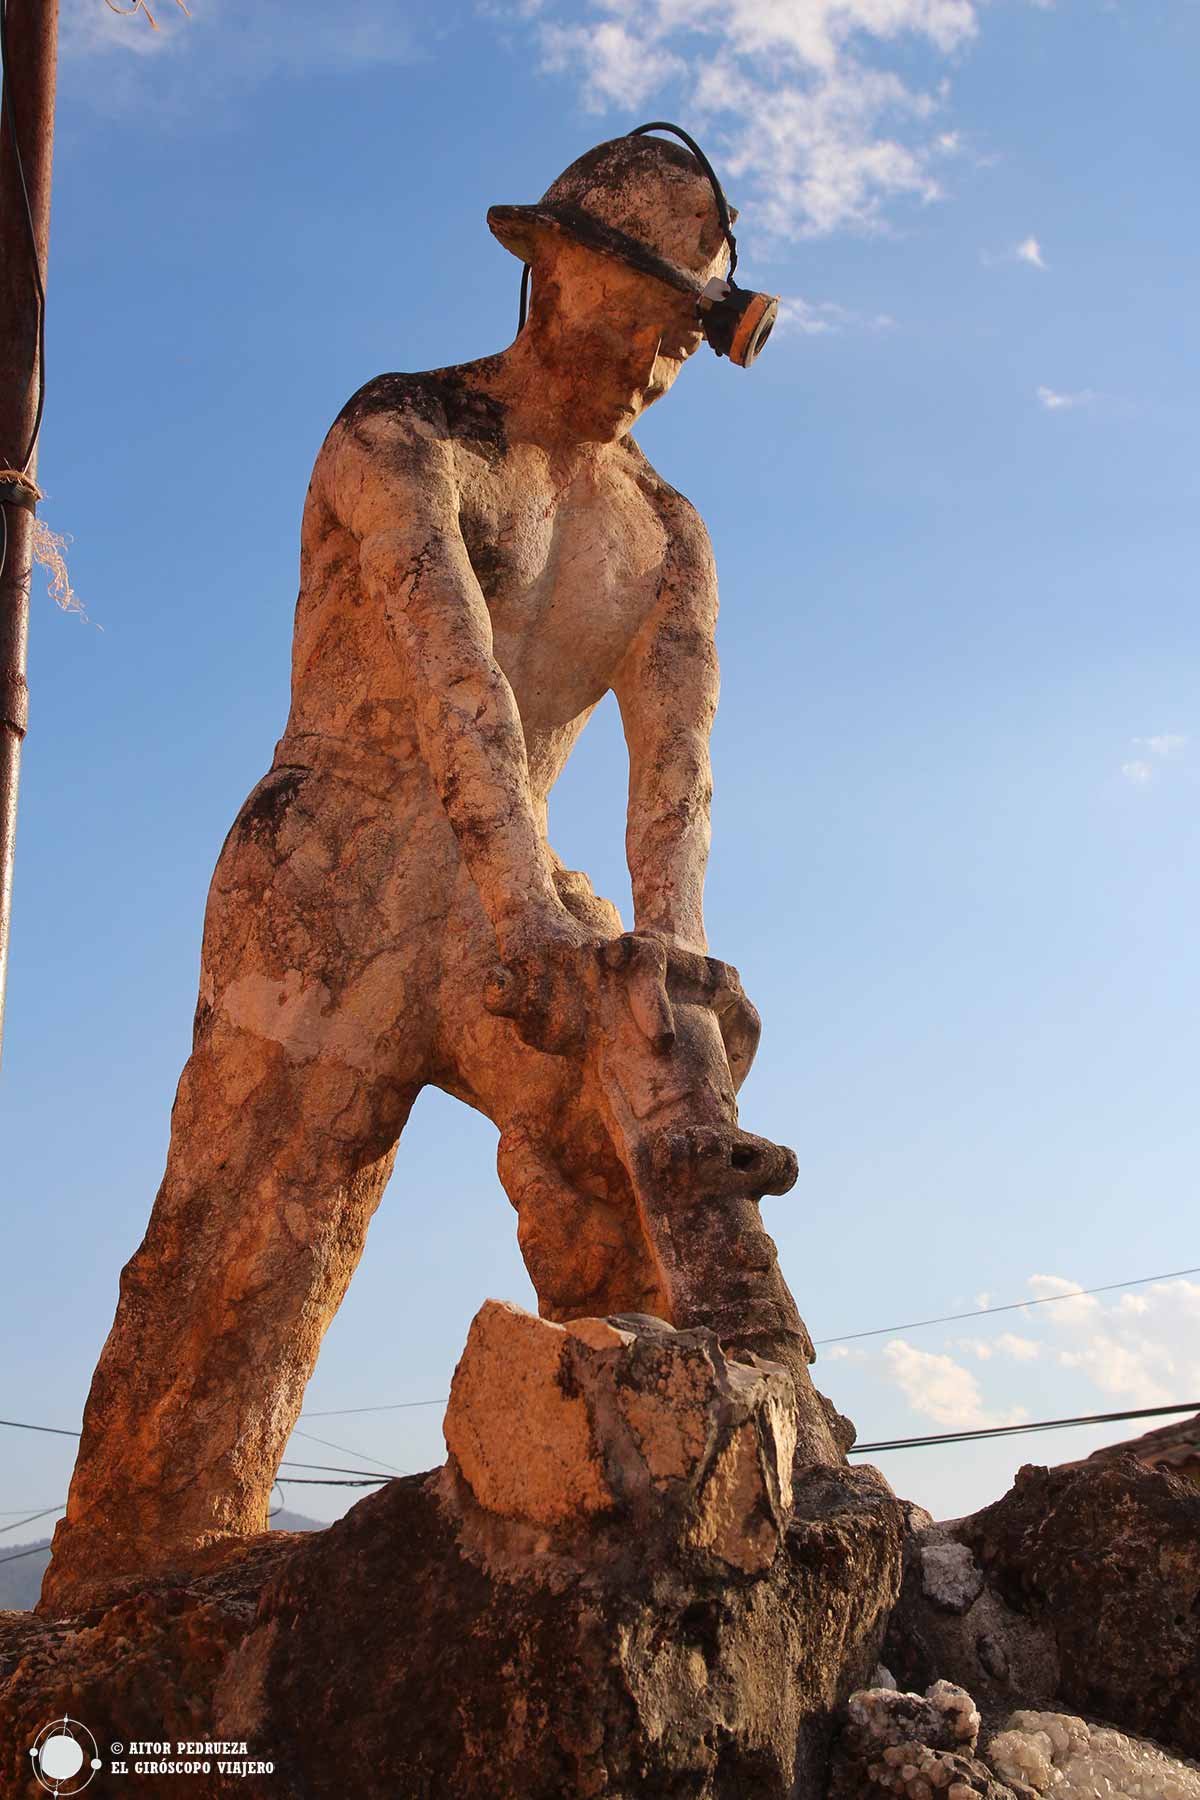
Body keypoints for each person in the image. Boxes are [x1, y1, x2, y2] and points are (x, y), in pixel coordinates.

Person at [40, 131, 840, 1615]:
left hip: (507, 899)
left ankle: (675, 1524)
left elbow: (677, 778)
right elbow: (452, 679)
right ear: (551, 270)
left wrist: (668, 962)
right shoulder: (403, 432)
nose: (657, 362)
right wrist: (531, 919)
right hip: (327, 889)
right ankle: (99, 1641)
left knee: (635, 1130)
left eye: (685, 334)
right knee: (226, 1291)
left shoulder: (664, 531)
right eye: (640, 315)